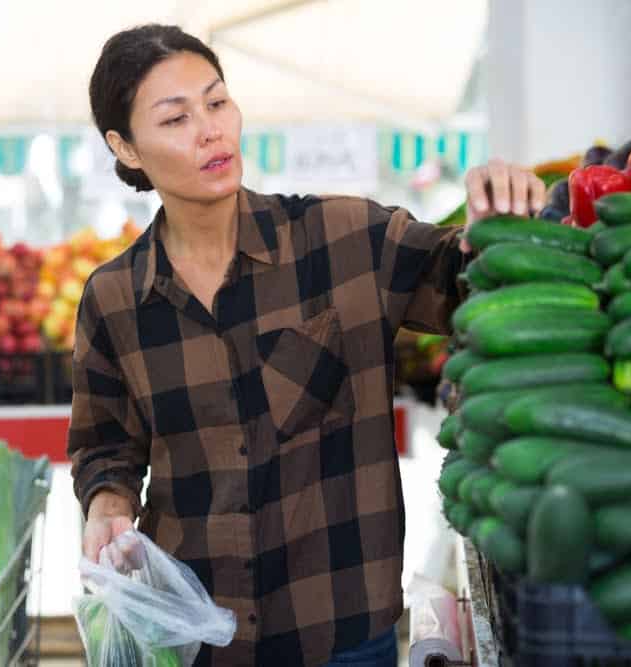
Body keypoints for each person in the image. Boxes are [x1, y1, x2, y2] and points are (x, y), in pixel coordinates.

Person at [68, 25, 544, 667]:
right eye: (176, 118)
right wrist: (107, 505)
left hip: (343, 634)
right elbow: (106, 446)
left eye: (217, 102)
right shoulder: (115, 298)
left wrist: (495, 225)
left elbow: (459, 279)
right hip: (197, 639)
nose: (211, 130)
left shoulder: (342, 237)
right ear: (124, 147)